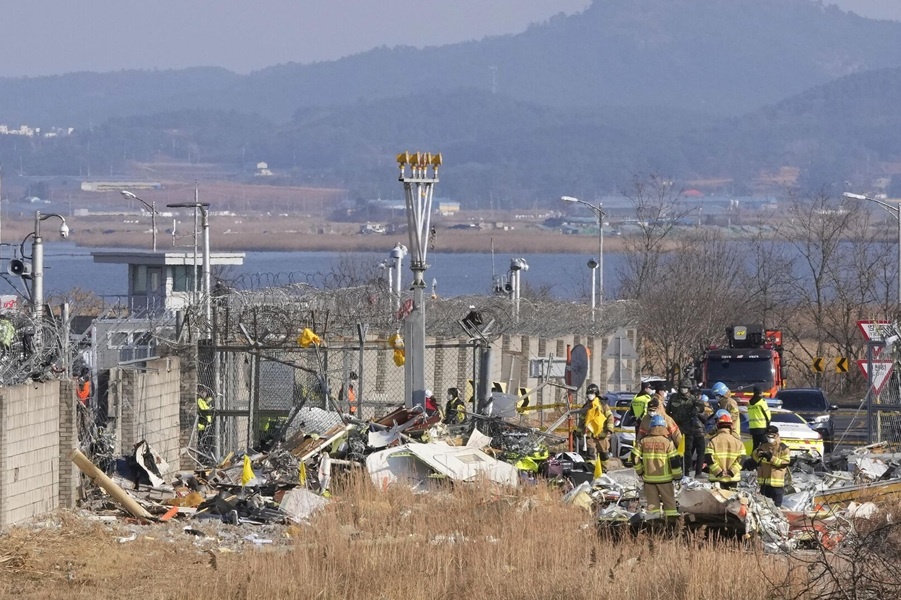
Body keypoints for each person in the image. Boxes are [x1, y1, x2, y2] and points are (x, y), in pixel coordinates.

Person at [632, 414, 681, 519]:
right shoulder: (667, 442)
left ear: (650, 426)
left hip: (649, 480)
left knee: (653, 507)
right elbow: (674, 461)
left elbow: (634, 457)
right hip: (665, 480)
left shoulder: (643, 441)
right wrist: (677, 476)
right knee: (670, 506)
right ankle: (671, 524)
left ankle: (654, 525)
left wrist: (640, 471)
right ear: (664, 426)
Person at [667, 379, 709, 478]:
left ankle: (686, 472)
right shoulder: (673, 398)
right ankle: (674, 471)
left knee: (687, 452)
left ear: (689, 389)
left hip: (688, 430)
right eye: (682, 387)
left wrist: (696, 409)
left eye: (685, 388)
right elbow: (668, 411)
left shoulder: (693, 399)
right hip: (675, 429)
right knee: (674, 451)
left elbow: (701, 406)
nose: (683, 389)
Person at [753, 425, 791, 507]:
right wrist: (758, 453)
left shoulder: (783, 448)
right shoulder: (763, 445)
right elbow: (755, 457)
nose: (770, 438)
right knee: (764, 506)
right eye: (768, 436)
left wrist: (771, 458)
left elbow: (784, 463)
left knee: (776, 507)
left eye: (772, 436)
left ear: (777, 435)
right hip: (764, 483)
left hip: (776, 484)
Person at [705, 411, 745, 490]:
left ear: (718, 426)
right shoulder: (738, 442)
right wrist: (731, 471)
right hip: (733, 478)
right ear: (731, 426)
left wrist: (719, 472)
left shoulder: (712, 441)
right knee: (731, 498)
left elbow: (709, 458)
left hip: (716, 478)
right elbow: (742, 459)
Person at [582, 383, 614, 464]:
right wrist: (579, 432)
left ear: (596, 394)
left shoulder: (603, 405)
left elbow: (610, 417)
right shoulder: (586, 406)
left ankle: (604, 469)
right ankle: (591, 469)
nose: (590, 395)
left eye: (592, 393)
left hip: (602, 434)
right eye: (588, 393)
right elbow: (582, 419)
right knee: (590, 454)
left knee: (604, 455)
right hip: (590, 435)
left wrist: (609, 429)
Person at [746, 386, 772, 452]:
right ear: (761, 392)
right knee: (765, 443)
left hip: (753, 427)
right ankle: (767, 456)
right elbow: (767, 414)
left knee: (755, 444)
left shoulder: (749, 402)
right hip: (761, 426)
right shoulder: (762, 402)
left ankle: (753, 456)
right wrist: (768, 423)